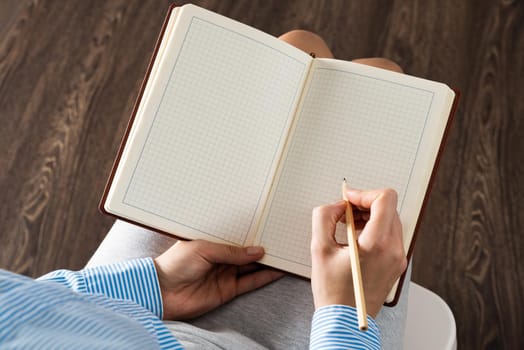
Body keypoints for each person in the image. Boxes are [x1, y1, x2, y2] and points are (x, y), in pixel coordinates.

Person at [0, 31, 408, 349]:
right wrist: (346, 315)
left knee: (299, 48)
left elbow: (21, 308)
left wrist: (154, 284)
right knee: (382, 76)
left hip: (115, 313)